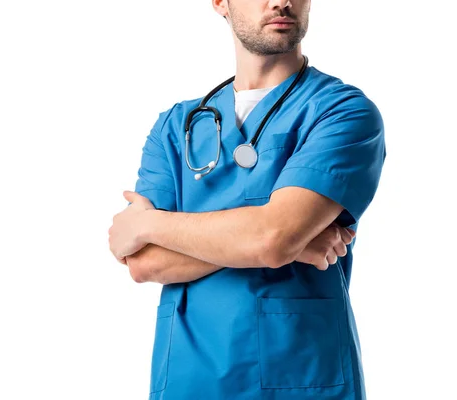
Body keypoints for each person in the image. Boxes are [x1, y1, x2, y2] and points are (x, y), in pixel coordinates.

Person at [108, 0, 386, 398]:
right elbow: (144, 262)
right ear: (220, 2)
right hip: (190, 378)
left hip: (301, 377)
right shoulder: (176, 127)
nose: (282, 2)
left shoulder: (342, 113)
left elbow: (271, 239)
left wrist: (149, 225)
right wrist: (288, 241)